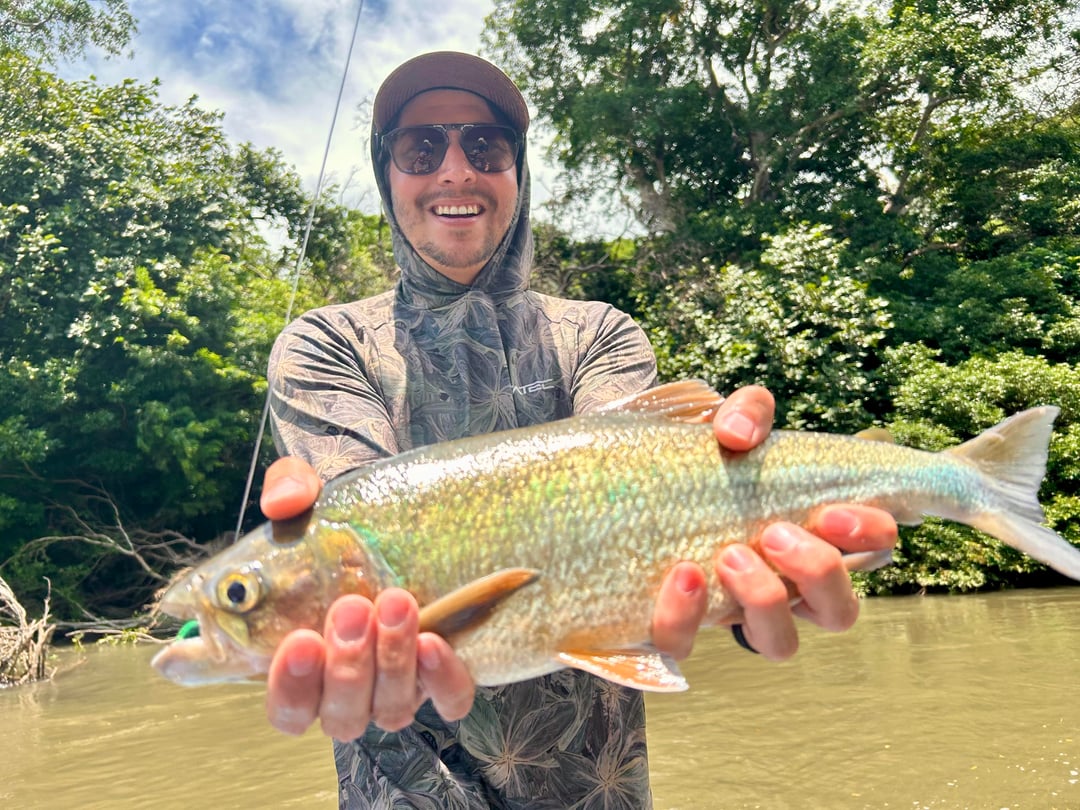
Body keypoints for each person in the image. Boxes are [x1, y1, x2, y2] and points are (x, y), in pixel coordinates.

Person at [258, 51, 897, 808]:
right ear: (386, 172)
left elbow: (649, 504)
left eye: (486, 146)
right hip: (400, 784)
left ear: (518, 171)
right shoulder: (325, 345)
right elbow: (357, 552)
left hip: (600, 785)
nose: (456, 170)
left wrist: (748, 601)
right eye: (421, 148)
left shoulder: (599, 335)